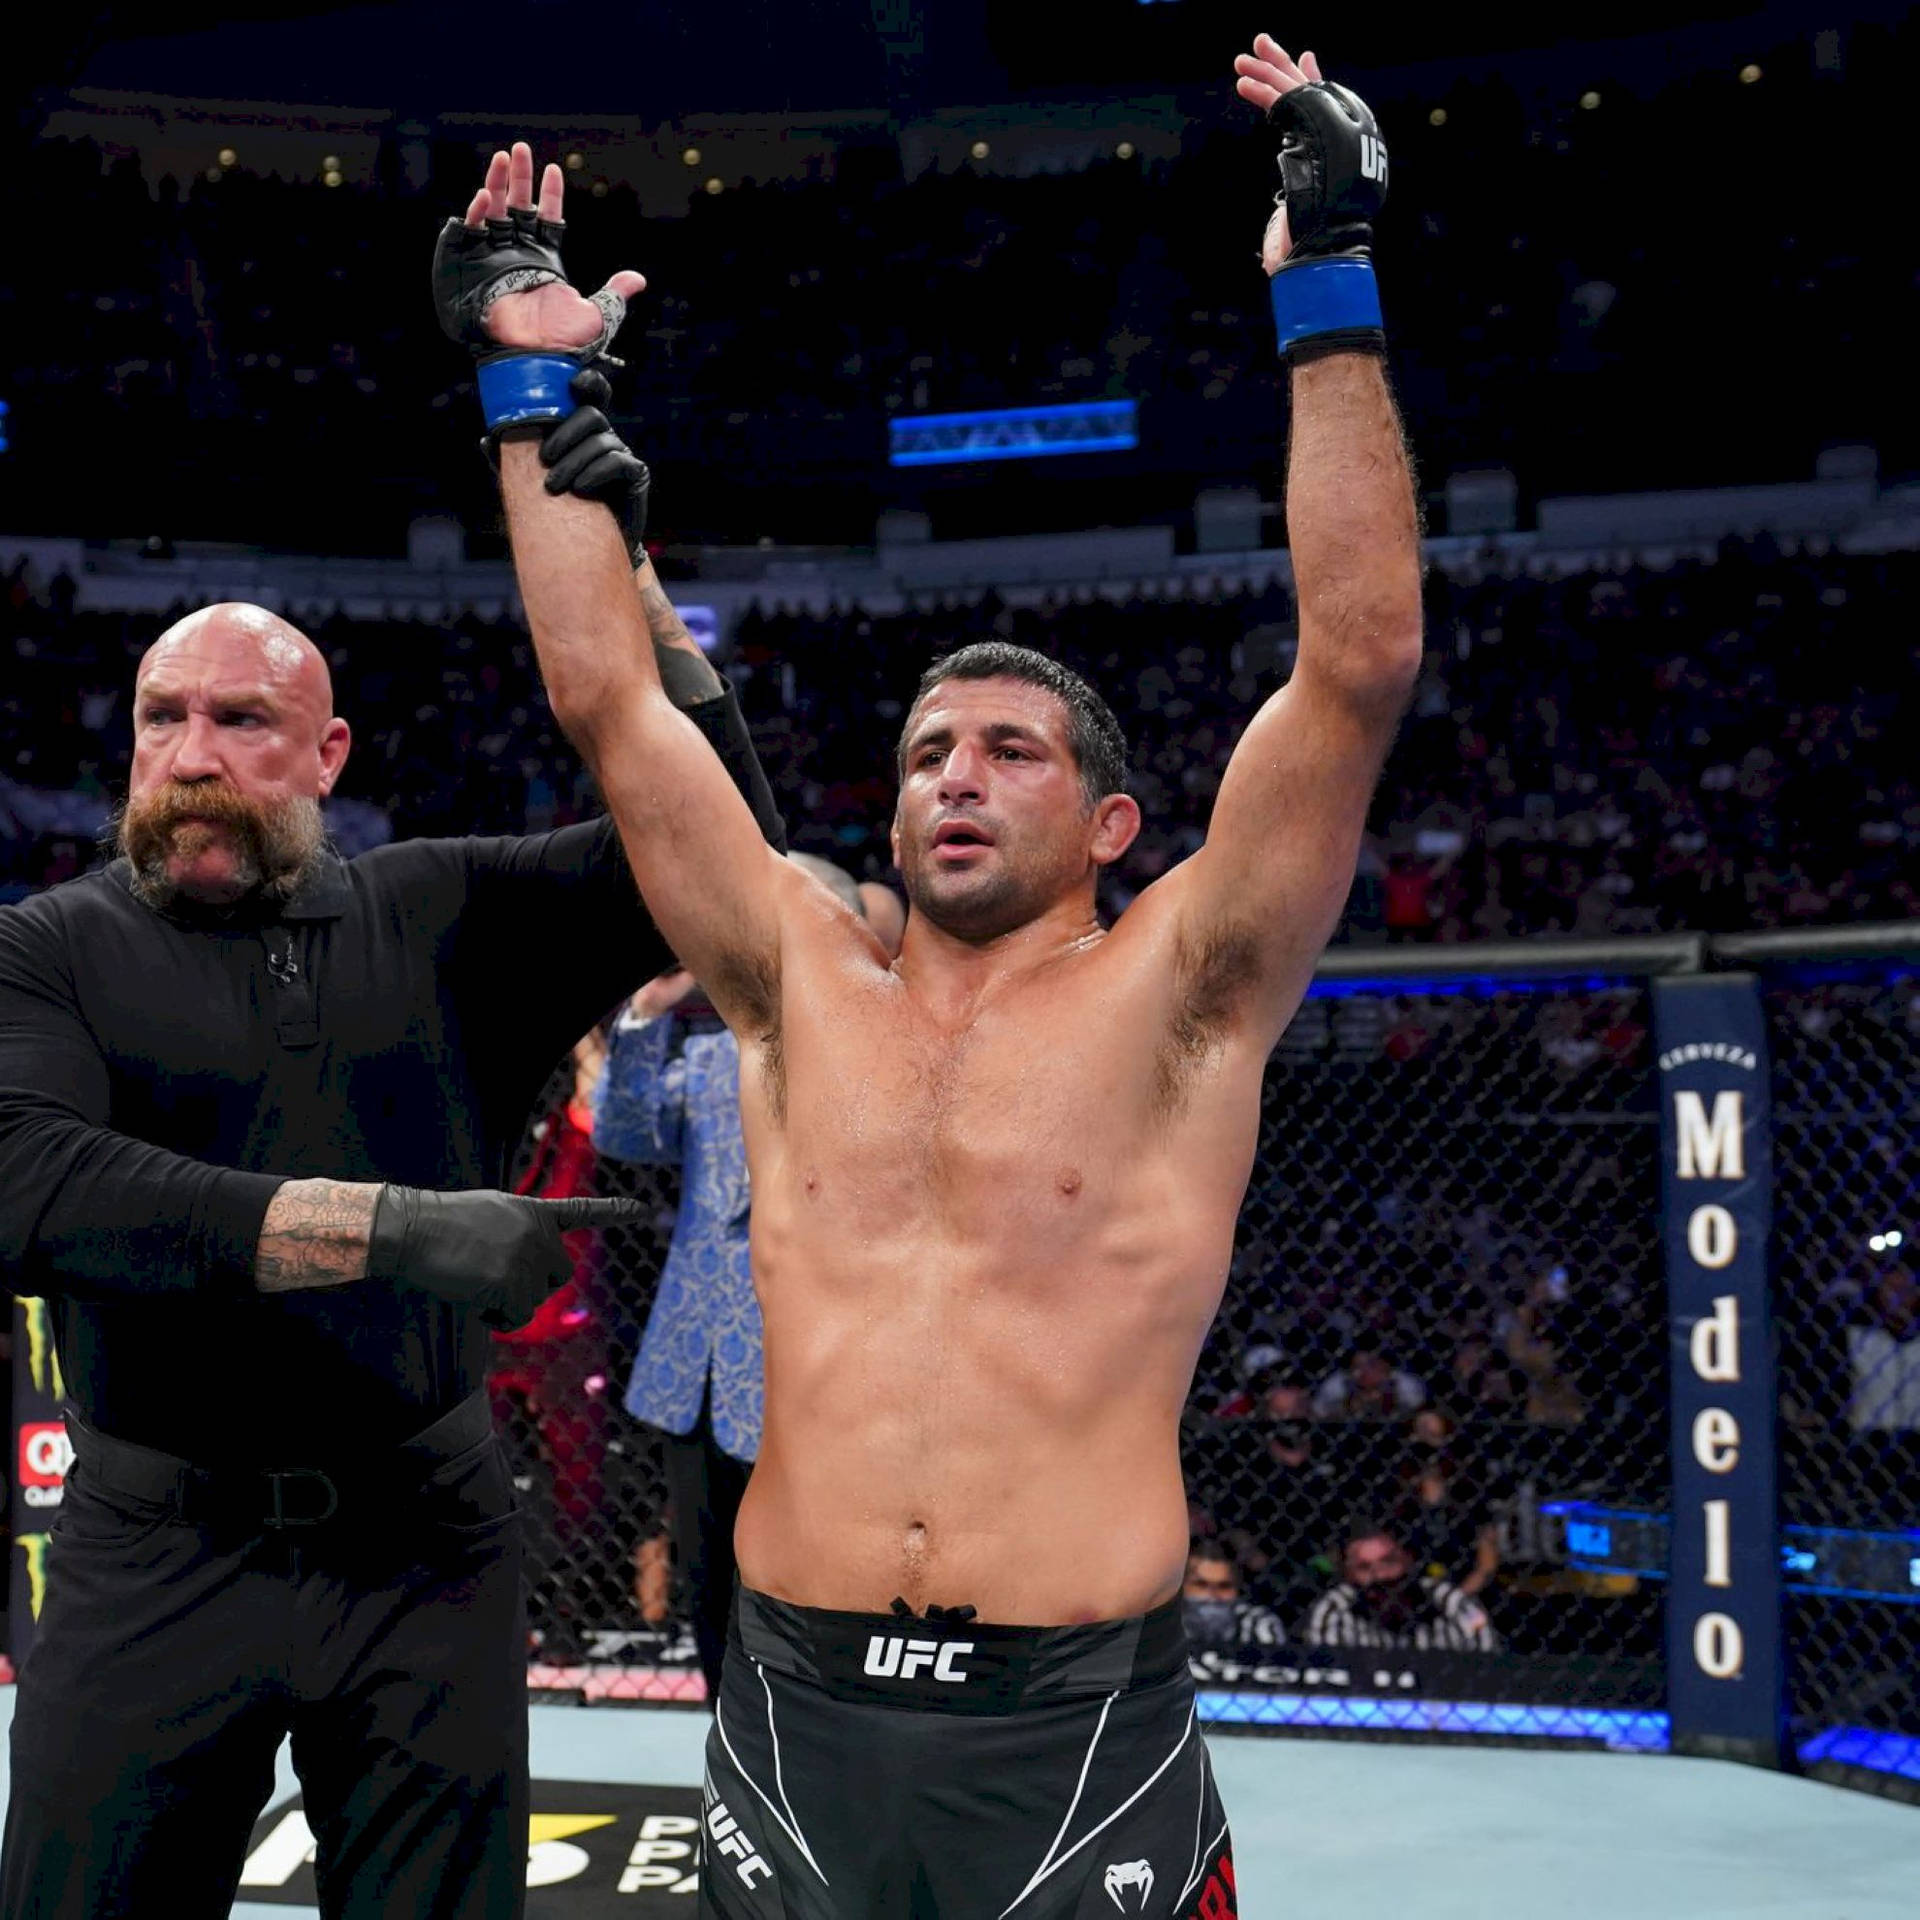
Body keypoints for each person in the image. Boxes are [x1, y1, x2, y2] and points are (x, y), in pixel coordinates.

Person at [448, 32, 1418, 1912]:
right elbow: (607, 701)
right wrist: (522, 381)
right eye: (920, 754)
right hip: (794, 1704)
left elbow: (1358, 658)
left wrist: (1328, 282)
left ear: (1119, 824)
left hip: (1078, 1734)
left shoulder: (1188, 988)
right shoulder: (795, 979)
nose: (951, 775)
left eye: (1007, 751)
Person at [0, 565, 785, 1914]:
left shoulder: (436, 913)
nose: (193, 757)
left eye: (243, 720)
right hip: (155, 1549)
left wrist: (643, 603)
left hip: (424, 1541)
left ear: (327, 753)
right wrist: (390, 1230)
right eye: (162, 718)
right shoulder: (50, 950)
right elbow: (35, 1185)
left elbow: (713, 857)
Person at [595, 855, 889, 1702]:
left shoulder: (880, 1053)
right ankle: (728, 1751)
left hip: (821, 1374)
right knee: (710, 1590)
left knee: (817, 1596)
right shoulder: (714, 1050)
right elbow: (624, 1135)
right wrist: (651, 1008)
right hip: (698, 1364)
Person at [1302, 1521, 1498, 1652]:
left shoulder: (1451, 1600)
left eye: (1389, 1561)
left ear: (1408, 1560)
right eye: (1364, 1567)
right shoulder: (1333, 1609)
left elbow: (1488, 1659)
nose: (1379, 1575)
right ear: (1348, 1575)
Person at [1180, 1544, 1285, 1659]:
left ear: (1237, 1588)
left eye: (1224, 1586)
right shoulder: (1166, 1621)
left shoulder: (1259, 1623)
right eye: (1201, 1585)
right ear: (1182, 1585)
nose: (1213, 1596)